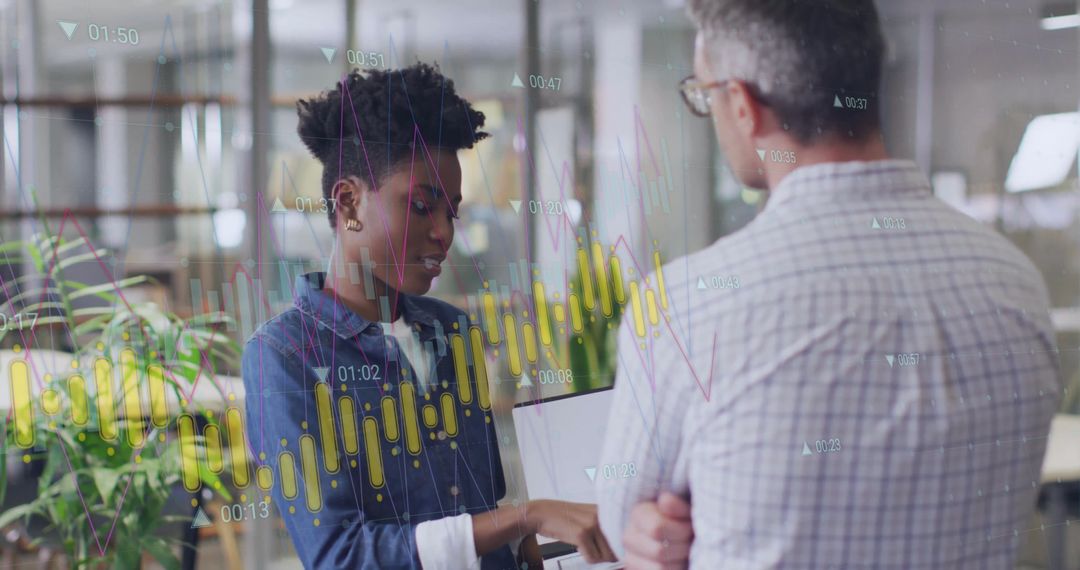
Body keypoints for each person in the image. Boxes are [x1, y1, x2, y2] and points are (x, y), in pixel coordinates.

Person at [597, 1, 1062, 568]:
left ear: (741, 104)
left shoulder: (687, 305)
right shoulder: (1017, 283)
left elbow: (622, 525)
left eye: (705, 94)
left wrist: (661, 534)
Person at [242, 63, 615, 569]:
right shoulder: (283, 356)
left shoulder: (454, 332)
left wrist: (552, 539)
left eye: (452, 211)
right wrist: (523, 518)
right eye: (422, 206)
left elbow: (480, 516)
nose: (444, 232)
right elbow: (339, 557)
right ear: (348, 203)